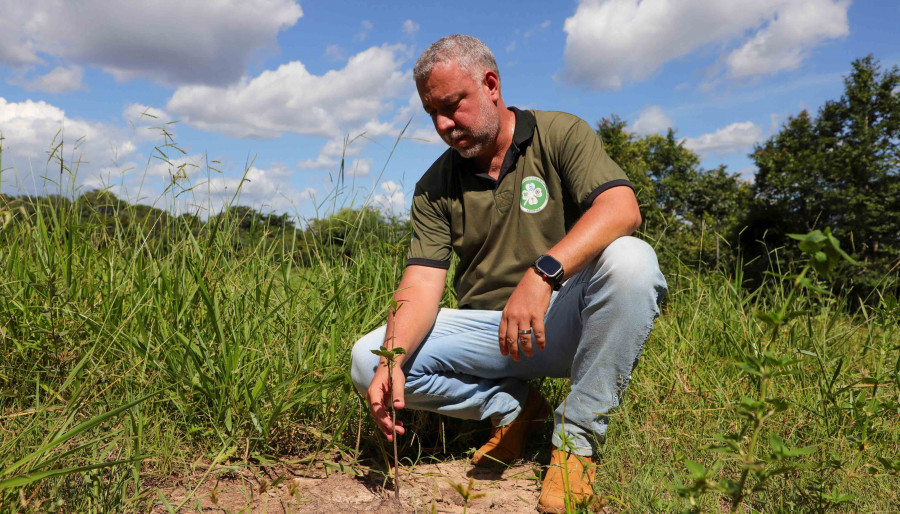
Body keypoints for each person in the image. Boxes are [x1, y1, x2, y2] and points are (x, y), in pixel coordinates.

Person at [350, 34, 667, 512]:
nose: (442, 124)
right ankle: (516, 410)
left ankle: (575, 447)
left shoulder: (559, 133)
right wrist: (391, 360)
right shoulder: (434, 186)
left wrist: (543, 275)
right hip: (488, 335)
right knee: (367, 360)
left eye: (452, 105)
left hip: (560, 319)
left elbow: (621, 208)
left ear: (491, 84)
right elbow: (420, 284)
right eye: (431, 112)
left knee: (633, 261)